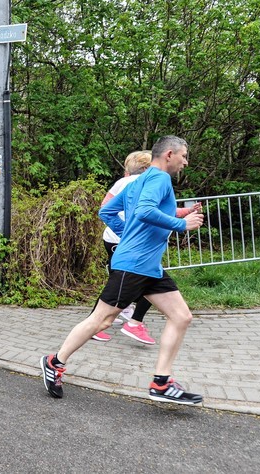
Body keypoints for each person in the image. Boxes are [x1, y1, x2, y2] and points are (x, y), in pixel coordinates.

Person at [41, 135, 206, 405]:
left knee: (181, 316)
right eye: (184, 156)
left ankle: (161, 383)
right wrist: (181, 225)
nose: (185, 162)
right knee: (102, 320)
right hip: (134, 265)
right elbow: (144, 211)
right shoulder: (160, 179)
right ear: (169, 154)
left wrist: (132, 230)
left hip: (149, 266)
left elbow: (106, 211)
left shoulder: (138, 181)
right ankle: (54, 362)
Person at [92, 151, 202, 344]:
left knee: (142, 284)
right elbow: (110, 208)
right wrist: (127, 232)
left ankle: (128, 320)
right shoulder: (137, 182)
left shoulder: (146, 181)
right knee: (117, 291)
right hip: (125, 244)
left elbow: (160, 211)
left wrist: (186, 211)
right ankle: (101, 324)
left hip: (136, 245)